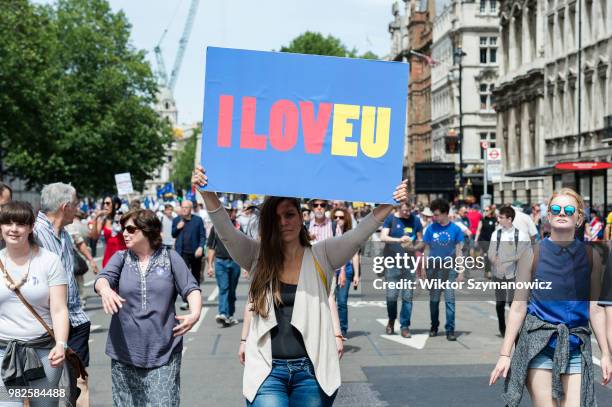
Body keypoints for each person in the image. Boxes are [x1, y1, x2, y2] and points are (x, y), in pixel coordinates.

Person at [192, 165, 407, 407]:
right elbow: (226, 232)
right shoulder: (256, 255)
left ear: (301, 217)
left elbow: (358, 234)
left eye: (289, 214)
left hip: (311, 371)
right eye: (276, 217)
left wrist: (390, 202)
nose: (283, 222)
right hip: (267, 371)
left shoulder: (322, 254)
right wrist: (206, 192)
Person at [490, 188, 611, 407]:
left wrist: (605, 354)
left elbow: (595, 309)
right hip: (539, 346)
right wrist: (505, 354)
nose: (561, 213)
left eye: (568, 209)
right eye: (555, 209)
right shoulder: (531, 254)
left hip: (575, 345)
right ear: (549, 216)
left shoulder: (591, 256)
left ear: (579, 218)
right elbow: (518, 307)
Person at [95, 209, 201, 407]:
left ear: (147, 230)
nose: (124, 233)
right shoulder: (121, 258)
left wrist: (194, 313)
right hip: (124, 354)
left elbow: (191, 288)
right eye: (122, 228)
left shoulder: (170, 258)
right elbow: (102, 279)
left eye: (130, 229)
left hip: (163, 352)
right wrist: (105, 290)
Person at [0, 201, 70, 407]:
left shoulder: (49, 261)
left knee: (44, 405)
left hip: (43, 352)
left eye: (20, 224)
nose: (13, 229)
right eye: (7, 223)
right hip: (4, 352)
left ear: (31, 228)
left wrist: (60, 344)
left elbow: (59, 309)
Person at [34, 183, 91, 407]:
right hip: (47, 324)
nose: (78, 209)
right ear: (65, 207)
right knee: (47, 388)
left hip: (76, 320)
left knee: (78, 385)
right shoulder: (34, 234)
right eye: (76, 204)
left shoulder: (65, 234)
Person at [423, 199, 464, 341]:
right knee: (434, 301)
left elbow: (459, 251)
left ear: (446, 213)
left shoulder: (456, 230)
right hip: (433, 270)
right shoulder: (430, 229)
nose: (435, 217)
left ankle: (450, 329)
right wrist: (423, 268)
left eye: (437, 214)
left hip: (450, 269)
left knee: (450, 300)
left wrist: (461, 271)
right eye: (433, 215)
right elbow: (426, 250)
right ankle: (434, 326)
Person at [380, 202, 423, 337]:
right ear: (398, 208)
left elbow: (421, 241)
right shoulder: (391, 219)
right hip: (392, 263)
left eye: (409, 210)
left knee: (407, 297)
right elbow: (383, 237)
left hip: (409, 264)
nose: (407, 213)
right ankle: (391, 320)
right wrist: (399, 240)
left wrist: (414, 247)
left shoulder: (415, 220)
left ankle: (405, 326)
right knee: (391, 296)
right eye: (405, 210)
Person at [488, 206, 530, 337]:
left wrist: (506, 260)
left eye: (501, 217)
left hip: (515, 275)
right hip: (499, 274)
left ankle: (516, 329)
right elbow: (490, 252)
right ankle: (502, 327)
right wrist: (496, 262)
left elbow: (523, 254)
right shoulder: (496, 233)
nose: (498, 219)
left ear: (509, 219)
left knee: (513, 303)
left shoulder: (521, 235)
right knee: (500, 303)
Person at [207, 204, 242, 327]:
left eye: (228, 211)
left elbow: (244, 246)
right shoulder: (215, 227)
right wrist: (210, 265)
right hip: (220, 262)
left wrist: (247, 266)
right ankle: (222, 313)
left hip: (235, 262)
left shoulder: (237, 226)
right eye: (223, 211)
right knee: (224, 288)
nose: (226, 213)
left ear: (231, 212)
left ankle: (230, 314)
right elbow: (211, 247)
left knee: (232, 290)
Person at [332, 207, 361, 338]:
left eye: (341, 217)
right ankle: (332, 328)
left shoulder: (351, 235)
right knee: (329, 301)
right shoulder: (329, 231)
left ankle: (342, 330)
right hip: (331, 271)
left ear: (346, 219)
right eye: (335, 217)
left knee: (342, 301)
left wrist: (356, 274)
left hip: (347, 270)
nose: (338, 219)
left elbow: (355, 255)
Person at [172, 200, 206, 287]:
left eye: (186, 208)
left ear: (191, 209)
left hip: (195, 253)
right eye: (182, 207)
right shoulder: (176, 220)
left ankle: (196, 295)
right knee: (184, 276)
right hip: (182, 253)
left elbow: (202, 235)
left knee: (195, 276)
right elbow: (173, 234)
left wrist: (201, 247)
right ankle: (187, 295)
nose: (184, 209)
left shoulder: (198, 220)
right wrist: (177, 227)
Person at [91, 196, 127, 268]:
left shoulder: (122, 217)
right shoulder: (103, 220)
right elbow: (94, 237)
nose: (105, 206)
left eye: (108, 203)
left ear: (116, 205)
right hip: (109, 257)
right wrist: (95, 218)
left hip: (123, 256)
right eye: (104, 203)